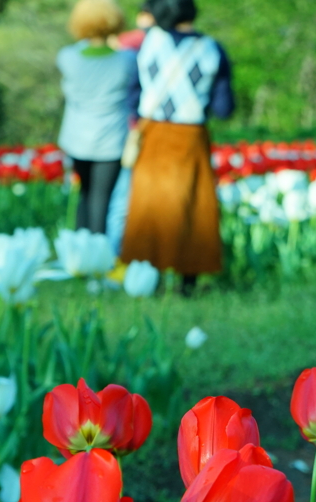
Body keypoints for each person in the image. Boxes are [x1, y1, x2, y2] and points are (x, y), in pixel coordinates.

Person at [121, 0, 234, 292]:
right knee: (191, 204)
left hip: (153, 132)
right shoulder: (211, 49)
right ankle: (188, 280)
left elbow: (132, 94)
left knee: (150, 205)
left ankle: (148, 277)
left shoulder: (147, 45)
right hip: (190, 134)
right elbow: (224, 107)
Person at [57, 0, 135, 234]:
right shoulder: (127, 60)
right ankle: (98, 260)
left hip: (77, 138)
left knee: (84, 195)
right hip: (111, 140)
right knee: (102, 201)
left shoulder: (68, 57)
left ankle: (81, 252)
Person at [105, 1, 155, 254]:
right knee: (126, 197)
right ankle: (122, 254)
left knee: (124, 199)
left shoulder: (125, 44)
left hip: (134, 129)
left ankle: (119, 255)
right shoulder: (129, 44)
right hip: (140, 130)